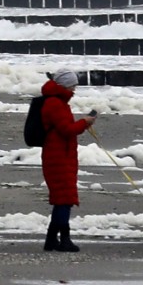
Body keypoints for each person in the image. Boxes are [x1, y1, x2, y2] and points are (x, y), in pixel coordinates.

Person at [39, 69, 96, 252]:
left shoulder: (57, 101)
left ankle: (52, 239)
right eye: (73, 86)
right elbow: (66, 130)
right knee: (64, 199)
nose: (74, 90)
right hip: (58, 156)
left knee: (63, 199)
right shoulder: (55, 103)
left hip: (60, 155)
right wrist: (84, 122)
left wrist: (82, 123)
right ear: (64, 85)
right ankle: (63, 239)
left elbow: (64, 129)